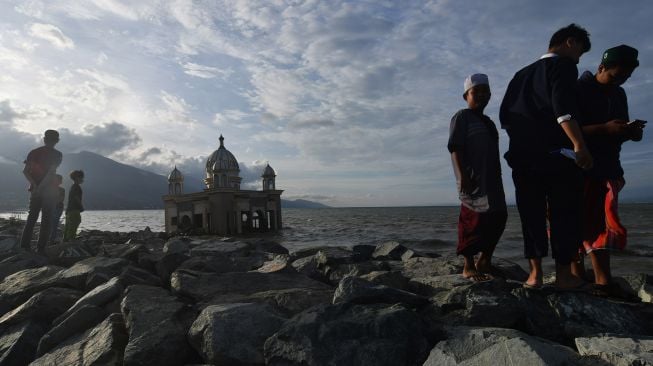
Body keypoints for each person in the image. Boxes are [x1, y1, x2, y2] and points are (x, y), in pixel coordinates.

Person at [500, 24, 593, 290]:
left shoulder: (520, 74)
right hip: (556, 156)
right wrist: (579, 145)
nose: (578, 59)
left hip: (522, 156)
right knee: (565, 213)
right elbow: (562, 109)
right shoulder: (563, 66)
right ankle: (564, 275)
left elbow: (506, 116)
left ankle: (535, 275)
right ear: (569, 42)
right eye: (580, 52)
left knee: (532, 214)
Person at [573, 45, 644, 299]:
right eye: (616, 76)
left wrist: (631, 133)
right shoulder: (578, 89)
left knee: (601, 222)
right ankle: (586, 278)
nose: (620, 81)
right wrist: (603, 129)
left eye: (625, 77)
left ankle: (596, 279)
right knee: (580, 222)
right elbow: (566, 129)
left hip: (608, 167)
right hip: (580, 167)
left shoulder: (619, 94)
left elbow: (618, 128)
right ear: (601, 68)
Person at [448, 74, 508, 282]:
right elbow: (455, 148)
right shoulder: (461, 117)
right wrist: (463, 175)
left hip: (493, 180)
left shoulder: (489, 123)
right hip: (471, 179)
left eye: (485, 91)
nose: (482, 95)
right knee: (472, 221)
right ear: (466, 95)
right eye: (476, 91)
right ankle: (468, 265)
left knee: (499, 217)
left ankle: (485, 261)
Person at [19, 129, 63, 254]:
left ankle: (24, 246)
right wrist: (41, 187)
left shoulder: (34, 152)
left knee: (32, 218)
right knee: (46, 219)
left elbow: (25, 171)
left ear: (44, 139)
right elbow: (50, 173)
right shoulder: (58, 154)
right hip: (49, 191)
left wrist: (35, 185)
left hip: (35, 190)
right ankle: (41, 248)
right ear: (57, 141)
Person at [64, 170, 85, 241]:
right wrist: (81, 206)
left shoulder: (73, 187)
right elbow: (76, 197)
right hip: (74, 209)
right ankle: (71, 238)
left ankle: (66, 239)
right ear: (76, 178)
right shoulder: (76, 187)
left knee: (69, 224)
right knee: (75, 221)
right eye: (81, 178)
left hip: (69, 209)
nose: (82, 179)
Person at [49, 174, 65, 244]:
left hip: (58, 208)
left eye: (60, 180)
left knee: (54, 224)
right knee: (51, 224)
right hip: (53, 208)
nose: (60, 181)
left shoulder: (61, 189)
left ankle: (52, 240)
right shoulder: (49, 189)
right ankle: (50, 239)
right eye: (59, 180)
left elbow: (61, 199)